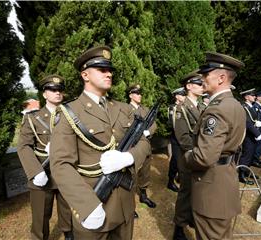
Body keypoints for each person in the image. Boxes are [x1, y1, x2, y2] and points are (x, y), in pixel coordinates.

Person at [49, 45, 151, 239]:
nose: (109, 74)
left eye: (110, 70)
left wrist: (129, 157)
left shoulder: (123, 108)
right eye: (102, 70)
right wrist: (87, 206)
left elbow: (144, 141)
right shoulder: (70, 113)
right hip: (95, 203)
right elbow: (61, 165)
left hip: (125, 203)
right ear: (85, 75)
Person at [184, 52, 246, 239]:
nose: (202, 79)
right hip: (225, 179)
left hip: (211, 189)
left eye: (205, 75)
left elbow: (204, 157)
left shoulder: (217, 109)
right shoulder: (234, 105)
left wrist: (187, 156)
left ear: (221, 78)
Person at [17, 75, 73, 240]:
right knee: (40, 218)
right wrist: (35, 172)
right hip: (43, 173)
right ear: (44, 94)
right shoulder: (33, 118)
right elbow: (23, 146)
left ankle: (70, 235)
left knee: (68, 212)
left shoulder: (71, 117)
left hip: (66, 172)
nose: (57, 93)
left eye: (60, 90)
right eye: (52, 89)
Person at [172, 71, 204, 240]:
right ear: (189, 86)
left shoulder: (202, 107)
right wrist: (199, 152)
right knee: (186, 193)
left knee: (197, 191)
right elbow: (183, 137)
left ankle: (191, 217)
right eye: (199, 84)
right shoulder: (181, 109)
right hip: (189, 156)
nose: (202, 86)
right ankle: (178, 227)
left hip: (200, 155)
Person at [126, 84, 157, 214]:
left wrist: (147, 133)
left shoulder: (145, 109)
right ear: (130, 95)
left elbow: (153, 124)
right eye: (137, 93)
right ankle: (129, 204)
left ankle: (143, 195)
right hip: (132, 147)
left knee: (145, 171)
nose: (140, 95)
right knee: (131, 174)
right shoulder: (125, 109)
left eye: (140, 93)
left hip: (146, 145)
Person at [238, 88, 261, 185]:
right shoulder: (244, 107)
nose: (255, 97)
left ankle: (247, 170)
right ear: (246, 97)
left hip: (252, 133)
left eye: (254, 95)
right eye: (252, 95)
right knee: (246, 154)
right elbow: (247, 122)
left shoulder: (250, 106)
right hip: (248, 134)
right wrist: (257, 133)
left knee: (251, 153)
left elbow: (253, 120)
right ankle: (241, 175)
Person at [167, 87, 186, 193]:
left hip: (185, 139)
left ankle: (177, 178)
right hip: (176, 139)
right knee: (177, 161)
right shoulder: (172, 108)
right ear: (177, 96)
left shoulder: (185, 107)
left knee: (180, 160)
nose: (184, 97)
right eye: (182, 95)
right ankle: (170, 181)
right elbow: (172, 124)